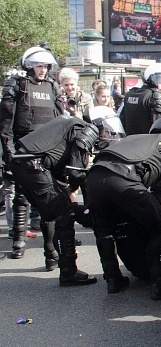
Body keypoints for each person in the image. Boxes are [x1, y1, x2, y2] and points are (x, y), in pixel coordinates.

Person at [85, 116, 161, 298]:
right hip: (123, 179)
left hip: (94, 177)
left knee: (103, 230)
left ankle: (113, 279)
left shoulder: (137, 141)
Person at [9, 112, 101, 285]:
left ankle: (52, 255)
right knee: (64, 212)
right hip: (33, 165)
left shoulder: (68, 122)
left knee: (50, 211)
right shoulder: (86, 129)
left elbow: (55, 156)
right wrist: (77, 195)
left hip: (23, 162)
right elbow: (76, 171)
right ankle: (68, 272)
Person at [1, 46, 64, 261]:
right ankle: (18, 240)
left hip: (48, 150)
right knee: (21, 196)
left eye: (46, 66)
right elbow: (6, 125)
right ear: (29, 65)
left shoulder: (52, 87)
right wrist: (9, 154)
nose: (43, 70)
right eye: (39, 65)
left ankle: (50, 249)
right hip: (23, 149)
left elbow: (60, 120)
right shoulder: (17, 86)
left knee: (48, 200)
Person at [119, 63, 161, 136]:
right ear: (150, 80)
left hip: (130, 142)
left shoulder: (130, 94)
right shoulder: (155, 96)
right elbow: (160, 128)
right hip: (149, 144)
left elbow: (122, 120)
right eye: (160, 82)